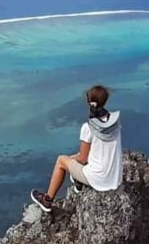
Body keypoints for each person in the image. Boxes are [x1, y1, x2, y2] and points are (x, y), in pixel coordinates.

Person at [31, 84, 122, 212]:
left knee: (61, 161)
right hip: (115, 178)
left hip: (99, 180)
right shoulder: (115, 122)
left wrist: (70, 161)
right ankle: (78, 182)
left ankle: (47, 200)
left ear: (88, 102)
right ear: (105, 101)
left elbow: (82, 159)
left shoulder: (88, 127)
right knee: (73, 160)